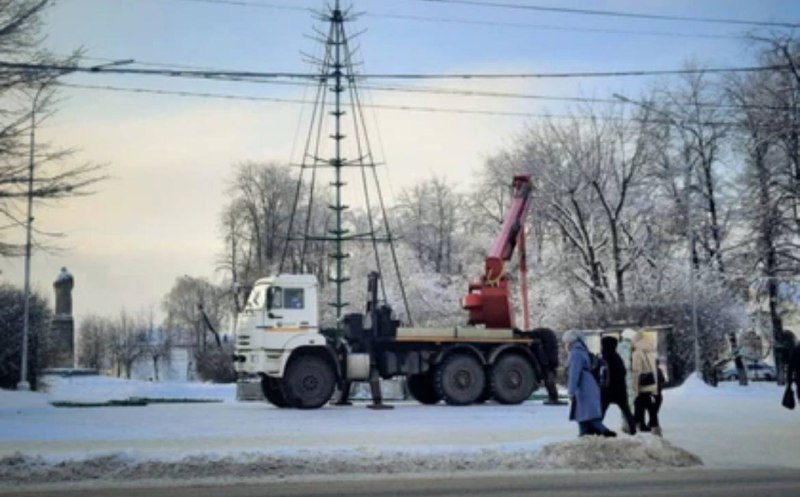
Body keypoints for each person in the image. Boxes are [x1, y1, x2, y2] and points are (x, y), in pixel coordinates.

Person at [563, 330, 616, 438]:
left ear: (571, 342)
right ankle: (584, 437)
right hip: (589, 385)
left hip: (584, 388)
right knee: (584, 416)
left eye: (566, 342)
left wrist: (571, 391)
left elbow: (574, 373)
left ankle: (606, 434)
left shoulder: (576, 353)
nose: (565, 345)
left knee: (588, 417)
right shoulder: (582, 350)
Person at [600, 335, 636, 435]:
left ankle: (597, 428)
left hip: (607, 389)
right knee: (626, 410)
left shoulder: (605, 358)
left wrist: (603, 385)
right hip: (620, 389)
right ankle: (633, 429)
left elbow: (604, 374)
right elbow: (623, 372)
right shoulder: (617, 357)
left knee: (602, 410)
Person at [631, 331, 662, 436]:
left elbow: (636, 371)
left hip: (641, 385)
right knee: (649, 406)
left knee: (639, 406)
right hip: (650, 384)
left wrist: (634, 387)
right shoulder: (650, 351)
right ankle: (654, 428)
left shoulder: (637, 353)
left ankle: (635, 428)